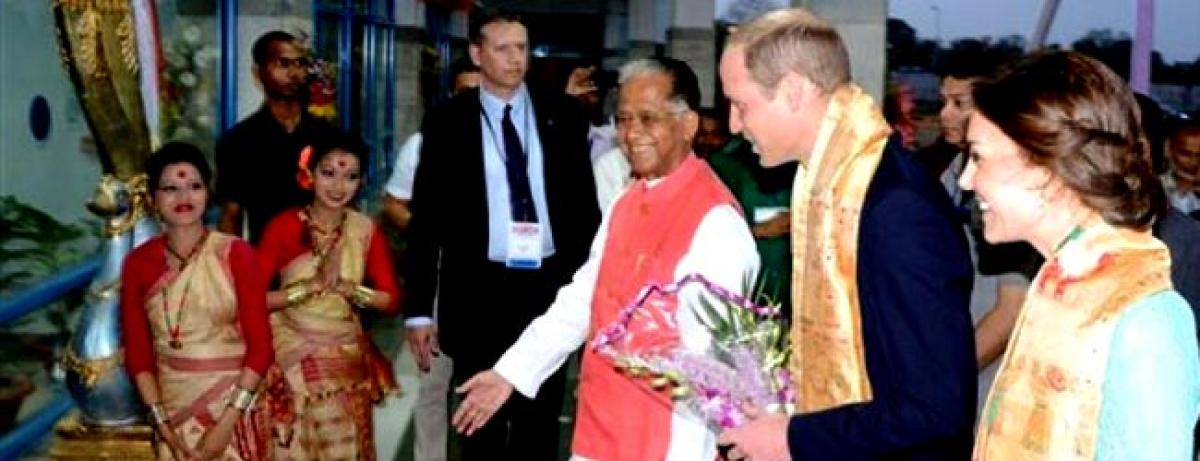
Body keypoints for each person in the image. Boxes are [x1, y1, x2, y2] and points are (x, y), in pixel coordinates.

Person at [452, 57, 759, 461]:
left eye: (649, 119)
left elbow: (710, 364)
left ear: (689, 126)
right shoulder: (625, 201)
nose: (632, 134)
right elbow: (584, 298)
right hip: (600, 427)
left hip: (667, 440)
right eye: (624, 119)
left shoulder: (716, 222)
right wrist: (512, 371)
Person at [717, 8, 976, 459]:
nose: (734, 125)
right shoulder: (823, 185)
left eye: (741, 105)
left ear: (794, 91)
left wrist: (792, 437)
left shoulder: (895, 207)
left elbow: (935, 407)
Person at [961, 51, 1200, 460]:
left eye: (978, 157)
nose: (966, 180)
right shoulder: (1060, 282)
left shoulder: (1145, 321)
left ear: (1044, 169)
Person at [403, 10, 600, 459]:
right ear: (477, 53)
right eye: (502, 48)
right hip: (477, 292)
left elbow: (583, 212)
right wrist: (418, 310)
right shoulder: (447, 121)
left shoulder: (564, 115)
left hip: (546, 289)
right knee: (478, 421)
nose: (516, 59)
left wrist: (590, 291)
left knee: (539, 418)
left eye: (522, 48)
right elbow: (427, 219)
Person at [120, 142, 274, 460]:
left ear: (208, 192)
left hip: (236, 409)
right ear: (152, 200)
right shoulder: (138, 264)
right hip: (173, 415)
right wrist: (162, 424)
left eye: (194, 186)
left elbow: (261, 349)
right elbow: (139, 356)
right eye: (170, 189)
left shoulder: (237, 254)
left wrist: (228, 423)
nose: (184, 197)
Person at [256, 134, 401, 459]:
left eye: (350, 176)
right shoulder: (283, 227)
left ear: (361, 181)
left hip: (345, 364)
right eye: (328, 173)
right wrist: (307, 288)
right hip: (291, 359)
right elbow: (251, 300)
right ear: (310, 174)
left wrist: (350, 290)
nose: (338, 186)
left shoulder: (365, 230)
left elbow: (391, 301)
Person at [216, 30, 345, 244]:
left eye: (300, 64)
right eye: (283, 64)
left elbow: (347, 209)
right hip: (266, 264)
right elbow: (231, 217)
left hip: (324, 262)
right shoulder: (238, 141)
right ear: (258, 74)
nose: (294, 73)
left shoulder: (329, 136)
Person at [381, 58, 481, 234]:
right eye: (465, 92)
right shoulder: (422, 144)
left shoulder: (518, 146)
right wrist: (424, 236)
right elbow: (394, 204)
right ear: (452, 95)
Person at [707, 136, 796, 317]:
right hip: (747, 288)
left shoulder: (801, 162)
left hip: (790, 283)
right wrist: (758, 231)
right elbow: (709, 233)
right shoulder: (726, 165)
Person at [1162, 117, 1200, 215]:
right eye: (1185, 154)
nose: (1194, 162)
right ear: (1168, 149)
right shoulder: (1154, 188)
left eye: (1199, 155)